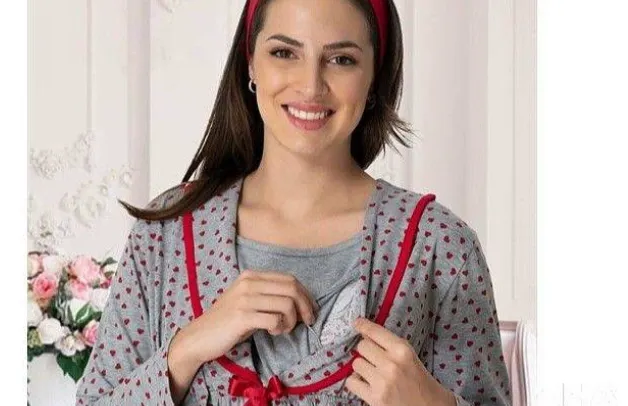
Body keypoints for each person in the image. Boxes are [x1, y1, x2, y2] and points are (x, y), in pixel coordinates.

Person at [75, 0, 512, 405]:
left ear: (374, 76)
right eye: (284, 53)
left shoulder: (438, 246)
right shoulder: (167, 232)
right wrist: (186, 350)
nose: (310, 85)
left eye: (341, 60)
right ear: (251, 62)